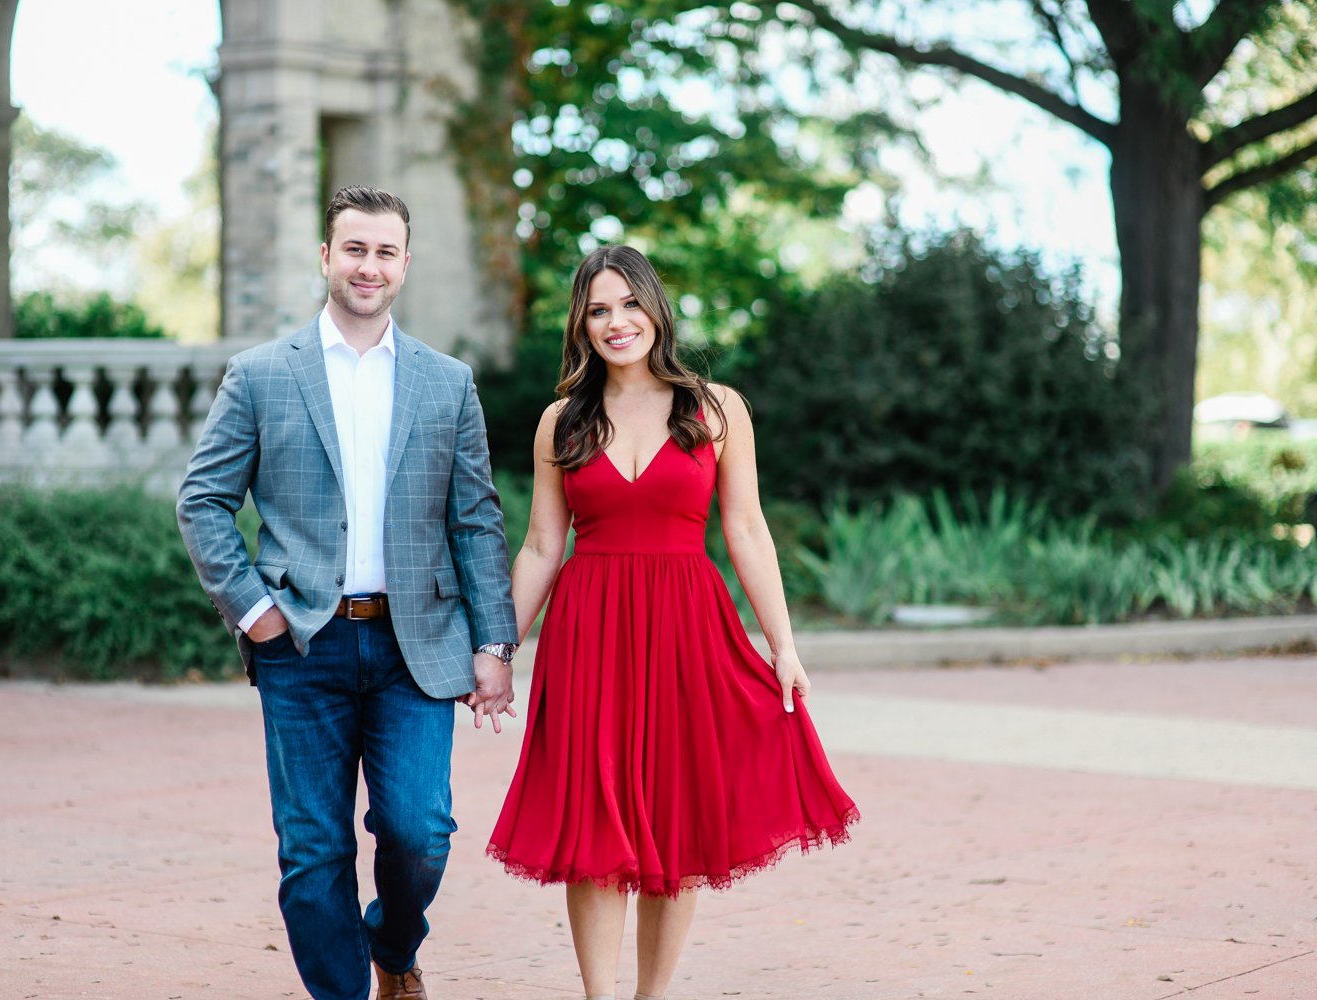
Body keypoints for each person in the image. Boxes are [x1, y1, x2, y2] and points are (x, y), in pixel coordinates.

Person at [487, 244, 859, 1000]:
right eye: (598, 310)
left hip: (688, 630)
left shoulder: (717, 408)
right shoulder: (562, 421)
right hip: (589, 634)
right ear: (581, 327)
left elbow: (748, 530)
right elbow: (539, 546)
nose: (616, 322)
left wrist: (783, 645)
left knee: (675, 817)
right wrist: (499, 648)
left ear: (655, 308)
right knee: (594, 823)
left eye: (629, 304)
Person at [177, 185, 518, 1000]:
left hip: (417, 644)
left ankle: (394, 953)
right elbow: (203, 499)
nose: (370, 265)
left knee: (418, 833)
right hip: (301, 643)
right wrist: (254, 611)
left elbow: (476, 520)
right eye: (355, 249)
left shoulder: (447, 383)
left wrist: (494, 642)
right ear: (327, 257)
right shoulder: (261, 375)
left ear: (405, 264)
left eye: (386, 251)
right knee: (312, 847)